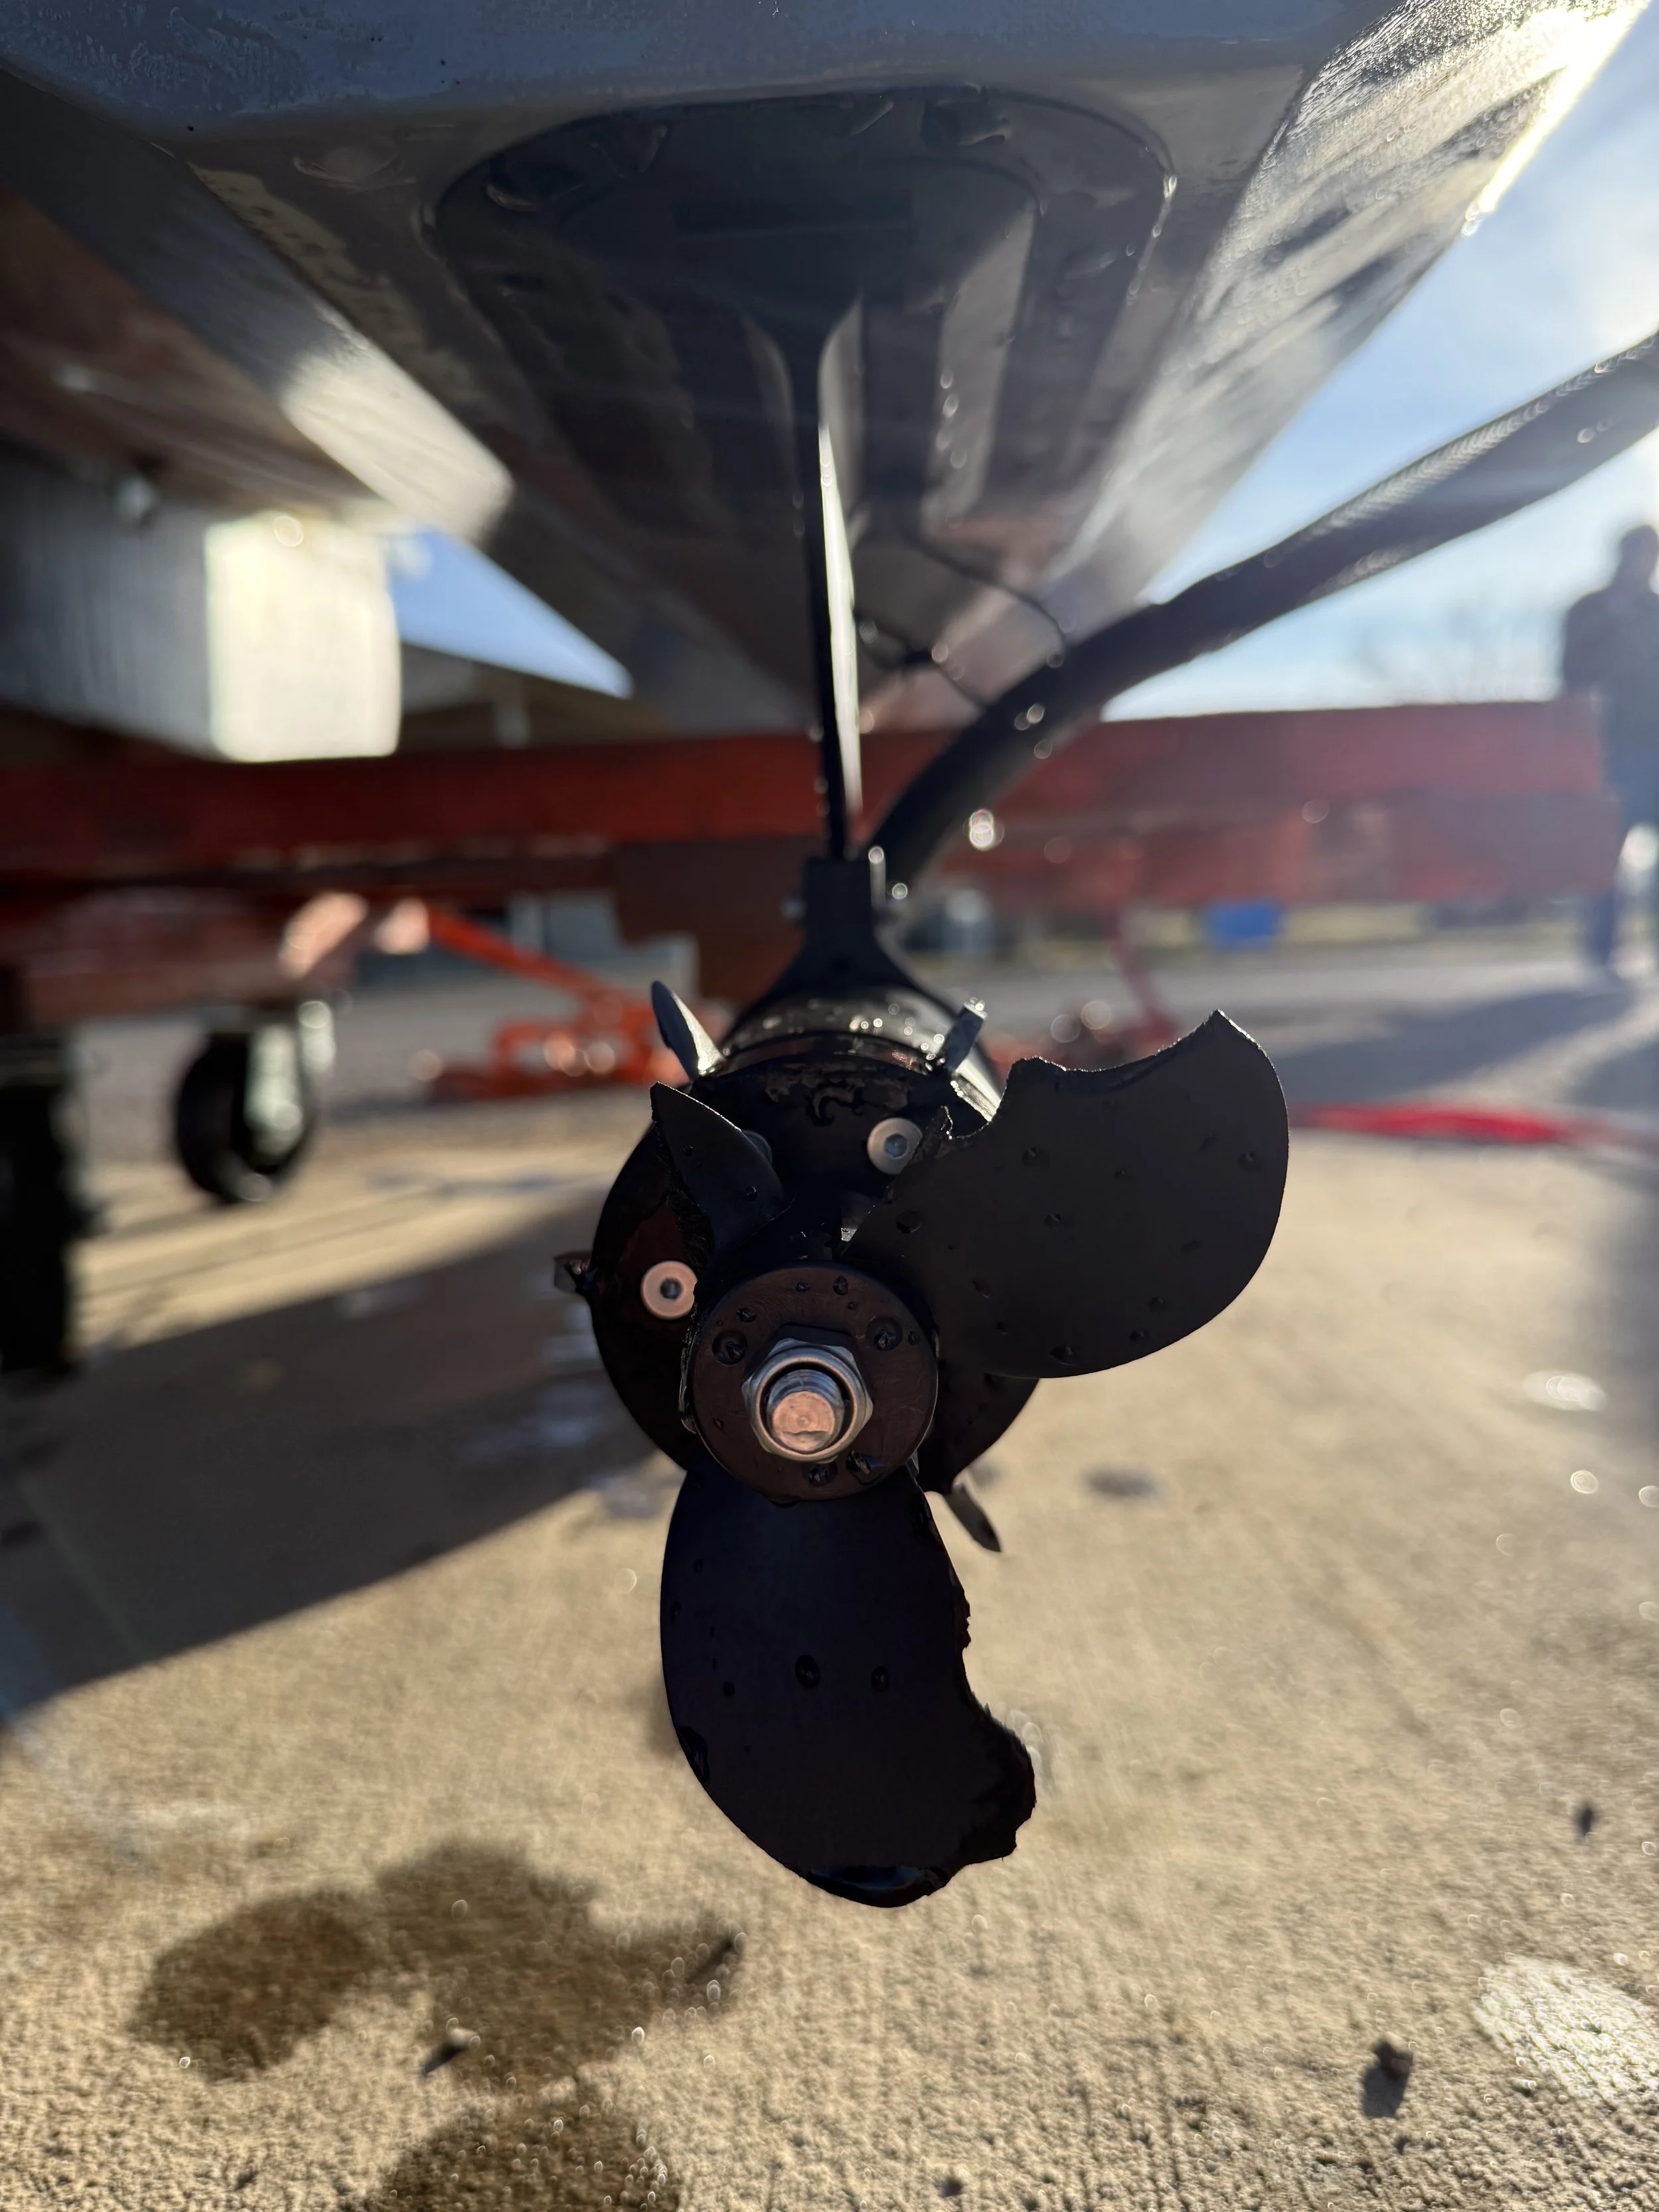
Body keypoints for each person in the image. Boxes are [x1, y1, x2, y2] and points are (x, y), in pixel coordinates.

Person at [1561, 524, 1659, 969]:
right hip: (1606, 747)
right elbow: (1570, 673)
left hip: (1655, 744)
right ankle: (1602, 949)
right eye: (1643, 553)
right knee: (1604, 849)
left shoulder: (1654, 611)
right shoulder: (1590, 609)